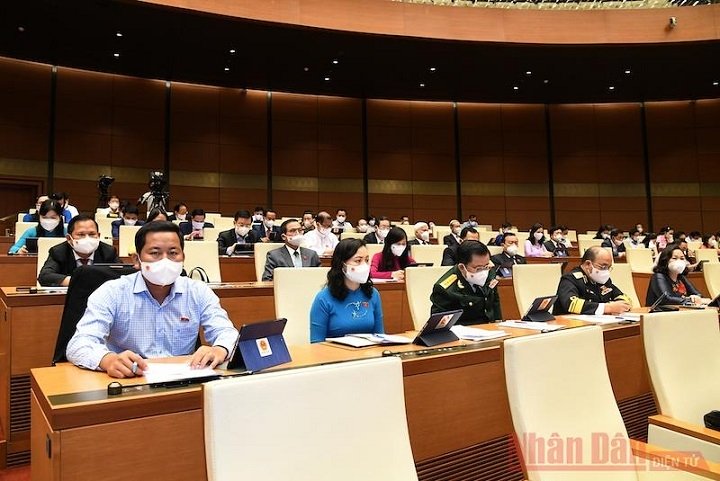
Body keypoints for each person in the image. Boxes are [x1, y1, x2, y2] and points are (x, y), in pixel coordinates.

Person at [65, 221, 239, 378]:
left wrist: (220, 348)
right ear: (137, 260)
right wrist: (108, 360)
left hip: (183, 380)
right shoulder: (112, 292)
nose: (165, 260)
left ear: (183, 257)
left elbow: (228, 333)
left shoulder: (198, 291)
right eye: (154, 253)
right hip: (129, 381)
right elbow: (79, 344)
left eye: (173, 253)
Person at [309, 238, 383, 342]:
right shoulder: (323, 298)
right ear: (342, 264)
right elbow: (316, 342)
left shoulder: (373, 294)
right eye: (358, 261)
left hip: (368, 355)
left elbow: (380, 336)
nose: (364, 266)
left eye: (366, 260)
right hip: (336, 356)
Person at [430, 241, 501, 325]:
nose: (484, 272)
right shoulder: (445, 289)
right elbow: (439, 325)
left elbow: (495, 304)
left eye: (486, 266)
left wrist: (498, 323)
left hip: (491, 329)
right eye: (478, 268)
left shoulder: (490, 272)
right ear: (462, 267)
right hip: (463, 332)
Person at [38, 215, 119, 286]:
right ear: (69, 239)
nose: (87, 238)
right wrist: (78, 281)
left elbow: (122, 274)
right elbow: (45, 276)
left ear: (98, 236)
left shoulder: (108, 252)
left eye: (92, 234)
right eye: (81, 234)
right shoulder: (59, 252)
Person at [555, 246, 632, 315]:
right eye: (603, 267)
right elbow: (571, 304)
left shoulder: (603, 279)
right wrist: (606, 307)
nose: (606, 271)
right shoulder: (570, 279)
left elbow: (622, 296)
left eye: (608, 268)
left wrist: (620, 305)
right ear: (588, 264)